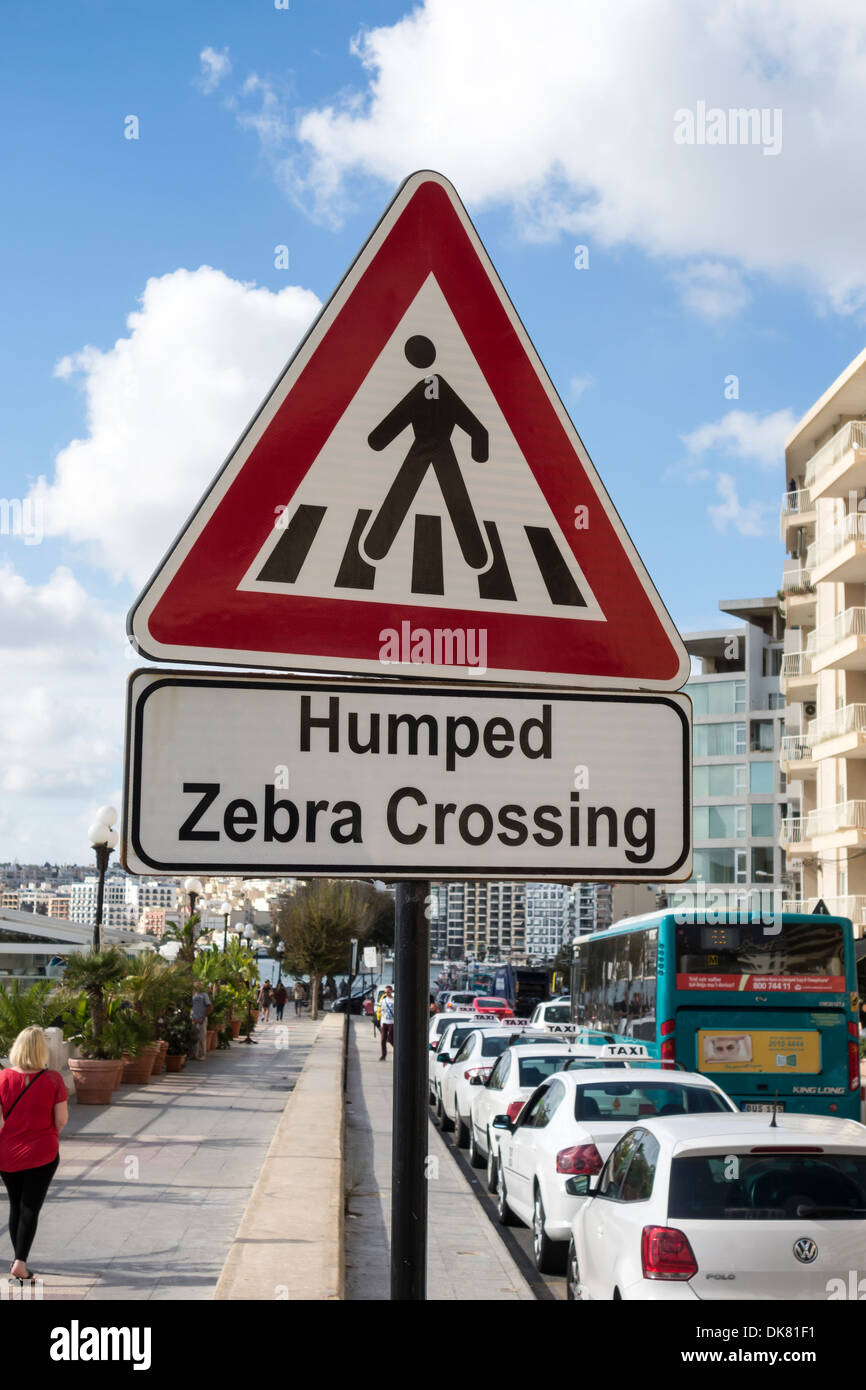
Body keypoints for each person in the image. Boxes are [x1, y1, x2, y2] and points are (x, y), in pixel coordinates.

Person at [0, 1026, 68, 1284]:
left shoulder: (3, 1078)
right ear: (42, 1049)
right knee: (31, 1206)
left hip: (7, 1153)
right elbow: (61, 1120)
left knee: (16, 1204)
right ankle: (20, 1262)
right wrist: (47, 1134)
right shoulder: (52, 1079)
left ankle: (18, 1259)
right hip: (42, 1152)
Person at [190, 982, 211, 1060]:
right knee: (194, 1037)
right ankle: (193, 1054)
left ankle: (202, 1055)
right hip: (194, 1019)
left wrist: (203, 1017)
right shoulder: (194, 995)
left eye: (198, 986)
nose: (197, 987)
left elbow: (210, 1007)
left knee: (202, 1038)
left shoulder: (204, 995)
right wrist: (191, 1015)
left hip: (202, 1019)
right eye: (195, 986)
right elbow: (193, 1007)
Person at [379, 986, 395, 1061]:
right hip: (384, 1022)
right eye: (385, 992)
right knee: (383, 1040)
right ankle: (383, 1055)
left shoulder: (394, 1000)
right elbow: (382, 1012)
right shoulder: (383, 1000)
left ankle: (397, 1050)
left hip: (392, 1022)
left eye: (388, 992)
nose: (386, 993)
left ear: (391, 991)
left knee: (391, 1039)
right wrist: (381, 1022)